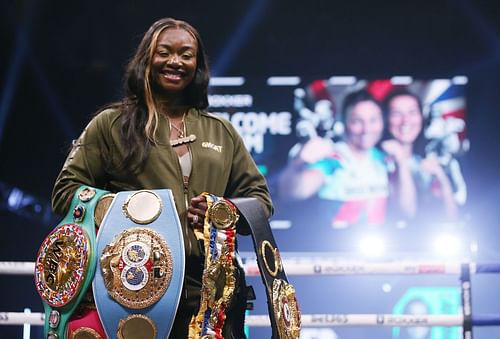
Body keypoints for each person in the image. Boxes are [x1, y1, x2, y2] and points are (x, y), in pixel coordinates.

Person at [51, 17, 272, 338]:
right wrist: (125, 210)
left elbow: (260, 201)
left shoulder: (220, 132)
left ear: (197, 65)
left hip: (211, 292)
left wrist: (223, 211)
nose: (175, 62)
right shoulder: (110, 124)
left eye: (186, 54)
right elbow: (65, 192)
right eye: (165, 52)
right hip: (133, 285)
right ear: (146, 60)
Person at [278, 89, 388, 228]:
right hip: (337, 245)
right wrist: (297, 163)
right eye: (357, 121)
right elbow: (293, 193)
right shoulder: (333, 159)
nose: (366, 129)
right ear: (344, 122)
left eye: (373, 120)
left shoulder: (384, 159)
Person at [381, 88, 457, 221]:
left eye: (412, 112)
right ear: (386, 119)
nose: (405, 121)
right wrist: (401, 160)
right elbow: (406, 214)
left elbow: (451, 216)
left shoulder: (425, 163)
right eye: (396, 114)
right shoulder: (377, 161)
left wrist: (440, 176)